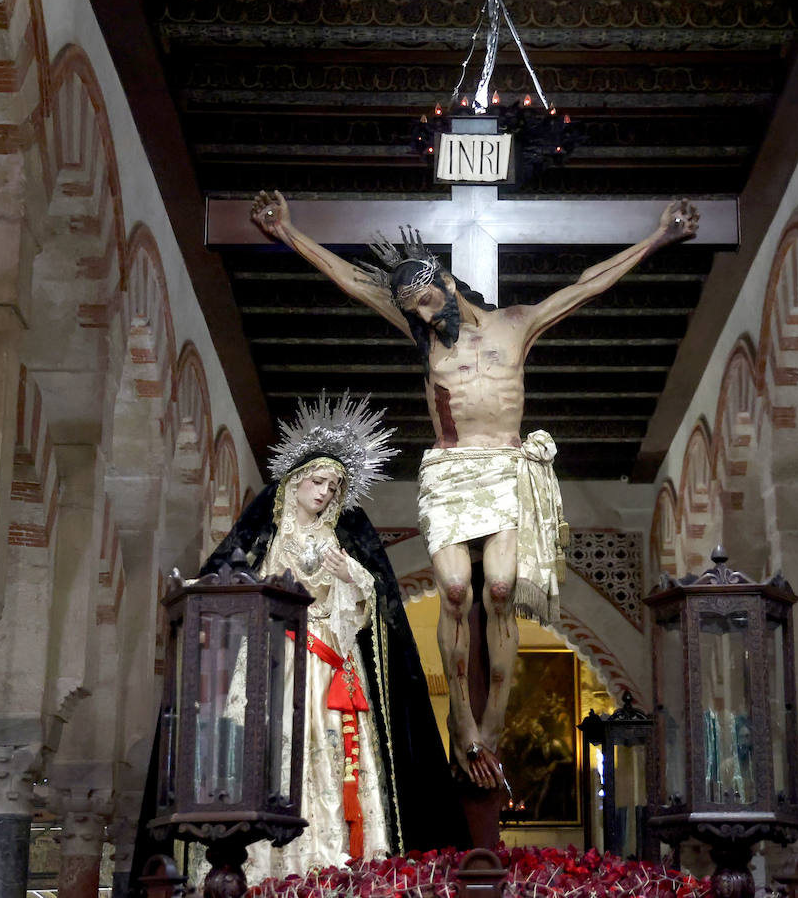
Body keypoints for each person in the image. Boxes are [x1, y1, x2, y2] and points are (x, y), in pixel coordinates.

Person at [250, 192, 699, 790]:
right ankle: (460, 717)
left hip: (505, 469)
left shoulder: (517, 324)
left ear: (446, 280)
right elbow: (354, 281)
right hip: (450, 472)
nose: (427, 315)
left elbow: (587, 288)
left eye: (429, 301)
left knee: (503, 588)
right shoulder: (426, 338)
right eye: (414, 310)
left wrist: (658, 239)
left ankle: (491, 724)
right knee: (457, 589)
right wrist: (289, 233)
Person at [201, 393, 466, 874]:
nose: (324, 492)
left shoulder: (337, 542)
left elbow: (368, 603)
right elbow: (231, 583)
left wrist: (352, 576)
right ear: (297, 480)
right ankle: (263, 865)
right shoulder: (268, 535)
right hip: (272, 656)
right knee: (272, 747)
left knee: (328, 748)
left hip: (327, 656)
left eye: (333, 486)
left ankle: (328, 858)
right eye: (317, 481)